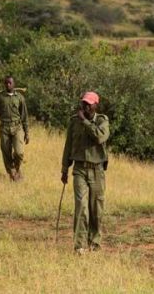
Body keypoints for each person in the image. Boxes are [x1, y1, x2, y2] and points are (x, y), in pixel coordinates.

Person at [60, 91, 109, 254]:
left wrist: (86, 122)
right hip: (79, 169)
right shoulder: (74, 122)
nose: (85, 106)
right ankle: (80, 245)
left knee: (96, 208)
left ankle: (94, 243)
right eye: (84, 103)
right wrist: (65, 169)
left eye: (89, 104)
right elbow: (68, 145)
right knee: (81, 206)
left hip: (97, 170)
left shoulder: (102, 121)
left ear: (96, 105)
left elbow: (100, 137)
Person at [0, 76, 30, 181]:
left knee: (19, 153)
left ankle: (17, 169)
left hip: (17, 127)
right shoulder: (0, 97)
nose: (8, 85)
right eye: (6, 83)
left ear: (14, 84)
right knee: (6, 152)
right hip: (4, 127)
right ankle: (12, 173)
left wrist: (27, 132)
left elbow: (25, 116)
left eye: (10, 83)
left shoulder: (20, 98)